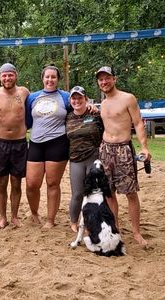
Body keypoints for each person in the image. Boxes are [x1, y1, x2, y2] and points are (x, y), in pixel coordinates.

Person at [96, 66, 151, 246]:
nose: (104, 82)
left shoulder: (128, 98)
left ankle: (136, 232)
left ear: (114, 79)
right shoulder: (102, 104)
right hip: (106, 150)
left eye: (107, 78)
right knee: (109, 193)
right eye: (101, 79)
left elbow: (138, 123)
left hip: (123, 150)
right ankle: (115, 228)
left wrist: (144, 147)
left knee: (130, 192)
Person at [25, 65, 71, 229]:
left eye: (53, 77)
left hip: (57, 143)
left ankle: (50, 219)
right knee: (31, 184)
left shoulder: (66, 97)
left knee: (52, 183)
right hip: (36, 142)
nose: (50, 80)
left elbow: (76, 114)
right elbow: (27, 121)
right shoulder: (32, 97)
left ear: (58, 79)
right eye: (47, 77)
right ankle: (35, 213)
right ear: (42, 78)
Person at [0, 63, 30, 229]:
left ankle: (14, 216)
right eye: (4, 75)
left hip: (19, 142)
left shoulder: (24, 92)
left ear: (16, 76)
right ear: (0, 77)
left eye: (10, 75)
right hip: (0, 142)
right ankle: (2, 217)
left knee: (16, 182)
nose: (7, 78)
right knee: (2, 182)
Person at [65, 86, 104, 232]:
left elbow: (106, 132)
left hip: (94, 157)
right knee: (77, 194)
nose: (77, 101)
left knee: (94, 193)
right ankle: (74, 221)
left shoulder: (95, 114)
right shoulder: (67, 116)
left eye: (80, 98)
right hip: (76, 159)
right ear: (70, 100)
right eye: (74, 98)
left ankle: (91, 221)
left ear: (85, 99)